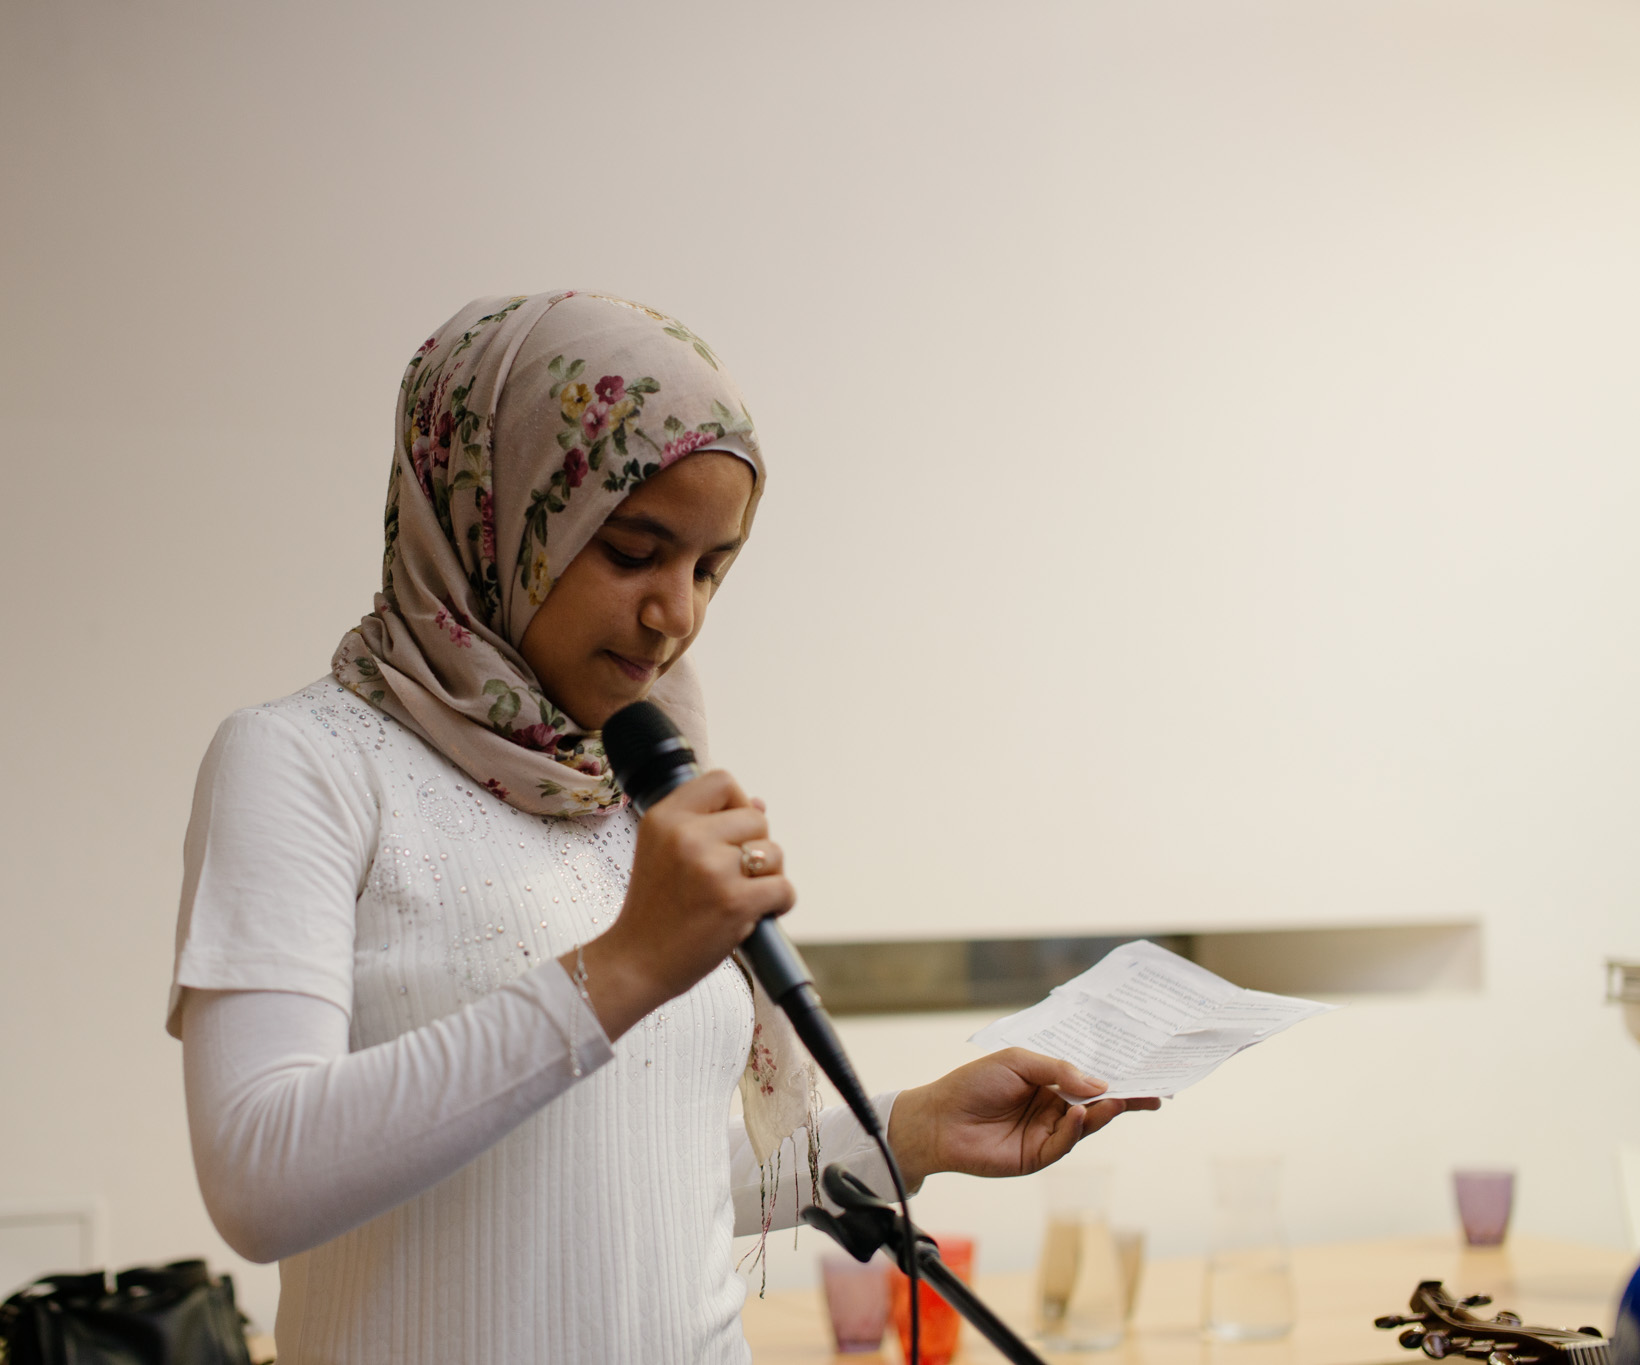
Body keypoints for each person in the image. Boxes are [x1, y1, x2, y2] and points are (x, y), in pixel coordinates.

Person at [167, 291, 1158, 1364]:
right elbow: (258, 1179)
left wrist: (908, 1131)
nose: (675, 614)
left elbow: (639, 1177)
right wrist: (630, 963)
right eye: (634, 551)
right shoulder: (304, 760)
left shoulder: (626, 778)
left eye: (707, 568)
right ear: (491, 515)